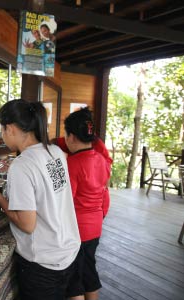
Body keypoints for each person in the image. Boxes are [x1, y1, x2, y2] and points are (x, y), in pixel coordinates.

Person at [0, 99, 81, 300]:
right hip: (68, 249)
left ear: (11, 128)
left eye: (2, 130)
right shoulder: (56, 152)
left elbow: (27, 224)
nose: (2, 136)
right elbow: (46, 186)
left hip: (43, 261)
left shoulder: (22, 165)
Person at [62, 108, 111, 300]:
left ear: (72, 137)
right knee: (89, 272)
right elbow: (105, 194)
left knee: (73, 282)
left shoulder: (72, 164)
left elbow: (66, 201)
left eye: (65, 135)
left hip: (76, 229)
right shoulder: (102, 160)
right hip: (95, 226)